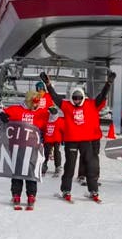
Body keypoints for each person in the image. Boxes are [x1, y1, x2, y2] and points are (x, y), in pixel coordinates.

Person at [40, 70, 115, 202]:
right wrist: (48, 84)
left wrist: (108, 83)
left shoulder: (91, 104)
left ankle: (93, 190)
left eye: (79, 98)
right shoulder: (67, 106)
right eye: (74, 98)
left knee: (91, 165)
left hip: (86, 141)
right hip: (71, 141)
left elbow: (102, 96)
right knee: (70, 166)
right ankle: (66, 190)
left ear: (83, 97)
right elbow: (55, 97)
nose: (76, 100)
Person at [0, 90, 49, 210]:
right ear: (29, 101)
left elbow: (51, 120)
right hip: (18, 147)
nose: (37, 105)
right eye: (35, 102)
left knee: (31, 171)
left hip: (33, 147)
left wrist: (54, 114)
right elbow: (0, 111)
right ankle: (16, 194)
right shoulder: (17, 110)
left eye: (38, 102)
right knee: (17, 171)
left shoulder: (39, 112)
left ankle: (31, 195)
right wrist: (1, 114)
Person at [42, 106, 64, 176]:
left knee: (56, 152)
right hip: (48, 138)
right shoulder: (46, 119)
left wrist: (63, 139)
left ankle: (58, 166)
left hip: (56, 139)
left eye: (52, 113)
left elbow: (63, 130)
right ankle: (44, 165)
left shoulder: (59, 120)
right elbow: (43, 128)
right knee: (46, 152)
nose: (51, 115)